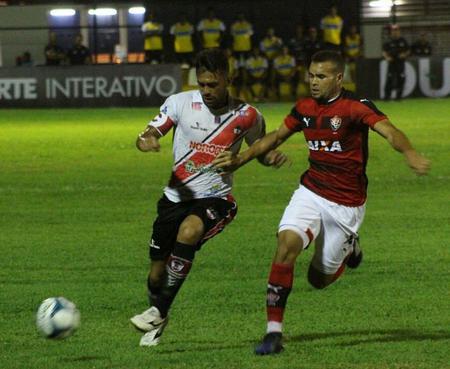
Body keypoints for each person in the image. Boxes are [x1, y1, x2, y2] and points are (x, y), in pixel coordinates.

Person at [213, 50, 430, 355]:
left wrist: (409, 153)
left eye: (321, 76)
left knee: (318, 279)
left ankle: (349, 249)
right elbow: (275, 137)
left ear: (339, 78)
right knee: (286, 245)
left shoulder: (355, 107)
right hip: (311, 191)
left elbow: (389, 131)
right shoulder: (304, 108)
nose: (313, 82)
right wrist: (240, 159)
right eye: (311, 76)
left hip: (346, 204)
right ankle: (273, 333)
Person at [130, 48, 287, 347]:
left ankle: (159, 310)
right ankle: (160, 313)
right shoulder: (179, 103)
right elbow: (148, 133)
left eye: (213, 84)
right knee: (155, 275)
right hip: (174, 198)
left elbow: (259, 151)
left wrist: (271, 157)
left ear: (228, 78)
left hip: (216, 199)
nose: (206, 90)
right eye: (201, 84)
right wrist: (147, 140)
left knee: (190, 231)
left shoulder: (248, 115)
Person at [382, 24, 410, 100]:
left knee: (400, 79)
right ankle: (387, 97)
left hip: (400, 63)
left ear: (399, 31)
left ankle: (399, 97)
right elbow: (384, 51)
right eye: (393, 30)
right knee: (390, 78)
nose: (395, 32)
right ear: (391, 31)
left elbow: (408, 50)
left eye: (396, 30)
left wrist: (404, 54)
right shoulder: (388, 41)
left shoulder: (403, 41)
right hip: (391, 63)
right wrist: (387, 57)